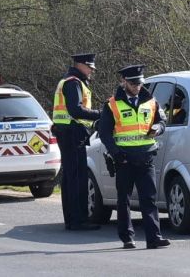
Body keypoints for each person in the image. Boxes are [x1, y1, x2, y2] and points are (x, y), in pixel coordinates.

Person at [98, 64, 171, 249]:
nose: (137, 86)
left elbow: (161, 121)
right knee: (124, 200)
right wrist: (116, 153)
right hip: (124, 159)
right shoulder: (112, 104)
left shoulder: (151, 101)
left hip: (146, 157)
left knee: (149, 199)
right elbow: (104, 133)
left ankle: (154, 238)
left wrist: (158, 128)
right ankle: (127, 238)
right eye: (133, 83)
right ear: (124, 82)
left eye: (139, 83)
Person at [52, 53, 101, 230]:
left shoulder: (69, 80)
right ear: (80, 65)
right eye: (89, 67)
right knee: (77, 177)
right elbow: (76, 110)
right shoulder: (73, 82)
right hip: (72, 133)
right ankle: (78, 220)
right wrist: (99, 114)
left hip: (68, 132)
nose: (91, 71)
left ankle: (73, 219)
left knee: (71, 177)